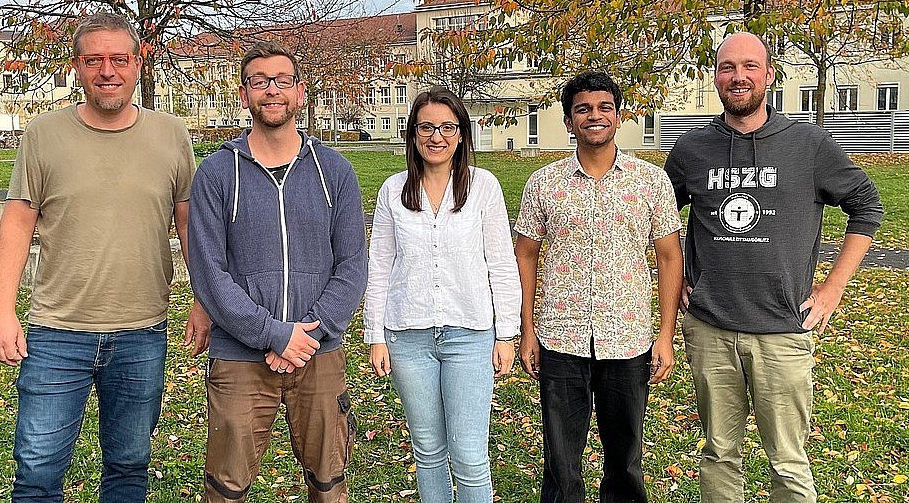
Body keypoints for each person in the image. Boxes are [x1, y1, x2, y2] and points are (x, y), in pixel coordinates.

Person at [0, 12, 211, 503]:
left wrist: (203, 298)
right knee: (38, 473)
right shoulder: (43, 134)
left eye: (119, 59)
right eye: (94, 60)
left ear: (138, 64)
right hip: (55, 332)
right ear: (77, 66)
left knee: (129, 467)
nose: (107, 70)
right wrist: (1, 311)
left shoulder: (172, 134)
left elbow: (188, 221)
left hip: (141, 332)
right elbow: (19, 220)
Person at [663, 31, 883, 503]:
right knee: (720, 453)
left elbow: (866, 205)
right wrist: (679, 276)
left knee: (787, 458)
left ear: (769, 75)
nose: (737, 77)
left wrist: (833, 288)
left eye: (748, 66)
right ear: (716, 77)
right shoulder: (690, 151)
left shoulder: (808, 145)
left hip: (784, 327)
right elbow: (659, 221)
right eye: (726, 67)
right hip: (710, 327)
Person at [188, 40, 368, 503]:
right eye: (260, 81)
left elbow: (351, 264)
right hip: (240, 356)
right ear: (244, 93)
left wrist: (307, 334)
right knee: (226, 487)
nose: (272, 90)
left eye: (282, 81)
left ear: (300, 91)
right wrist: (272, 334)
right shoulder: (216, 173)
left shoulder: (335, 171)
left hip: (318, 352)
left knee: (329, 483)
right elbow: (209, 271)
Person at [515, 72, 683, 503]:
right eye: (583, 109)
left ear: (619, 115)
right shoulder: (544, 183)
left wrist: (665, 335)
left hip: (627, 341)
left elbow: (668, 257)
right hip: (560, 338)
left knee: (625, 461)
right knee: (561, 463)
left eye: (604, 107)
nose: (595, 116)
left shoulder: (650, 181)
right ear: (569, 120)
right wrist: (527, 330)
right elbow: (526, 255)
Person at [364, 86, 521, 503]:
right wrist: (375, 336)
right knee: (428, 451)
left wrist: (506, 333)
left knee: (470, 455)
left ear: (462, 134)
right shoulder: (393, 191)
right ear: (413, 134)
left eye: (447, 127)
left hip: (469, 336)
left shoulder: (483, 187)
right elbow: (379, 266)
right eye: (427, 127)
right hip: (408, 337)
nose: (437, 136)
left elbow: (501, 263)